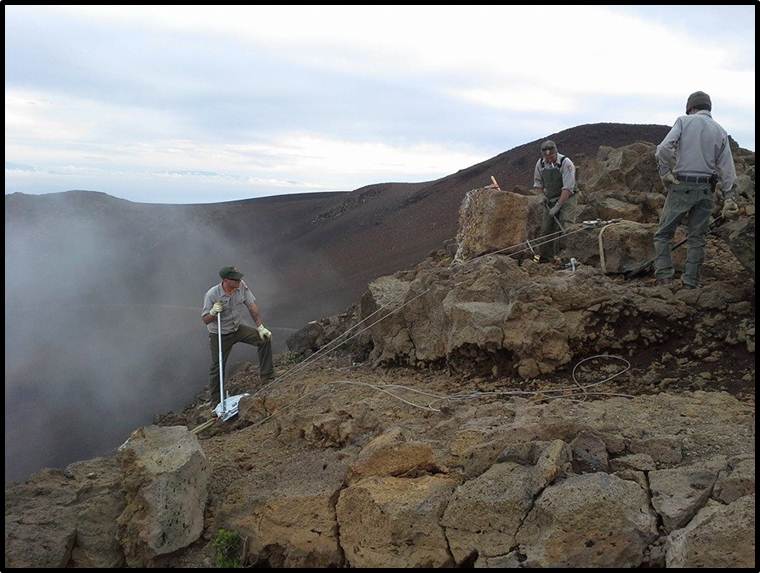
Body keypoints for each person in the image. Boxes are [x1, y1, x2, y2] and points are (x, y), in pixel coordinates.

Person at [653, 91, 738, 289]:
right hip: (706, 189)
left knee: (663, 234)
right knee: (697, 238)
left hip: (682, 185)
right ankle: (690, 283)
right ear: (708, 108)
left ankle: (665, 279)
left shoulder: (684, 121)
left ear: (691, 108)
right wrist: (730, 198)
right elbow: (727, 168)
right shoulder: (720, 130)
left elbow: (663, 149)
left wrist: (666, 171)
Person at [202, 265, 275, 401]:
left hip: (237, 328)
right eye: (234, 280)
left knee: (264, 339)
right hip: (220, 334)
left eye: (239, 279)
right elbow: (205, 319)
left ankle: (268, 377)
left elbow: (251, 306)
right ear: (225, 280)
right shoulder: (212, 294)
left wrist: (260, 327)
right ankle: (216, 401)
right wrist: (212, 312)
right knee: (217, 366)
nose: (238, 281)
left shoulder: (241, 286)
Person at [532, 140, 578, 261]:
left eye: (551, 156)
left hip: (568, 197)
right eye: (546, 157)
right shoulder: (540, 164)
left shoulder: (566, 163)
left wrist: (558, 206)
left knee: (566, 224)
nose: (549, 159)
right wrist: (541, 196)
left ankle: (570, 257)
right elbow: (538, 183)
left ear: (556, 153)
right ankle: (546, 259)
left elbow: (568, 188)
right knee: (546, 229)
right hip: (550, 198)